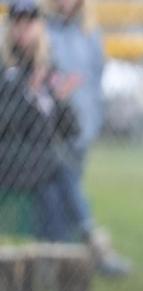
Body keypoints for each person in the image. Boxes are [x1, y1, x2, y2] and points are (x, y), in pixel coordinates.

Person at [0, 0, 78, 236]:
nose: (23, 28)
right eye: (18, 22)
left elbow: (71, 129)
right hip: (10, 156)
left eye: (30, 22)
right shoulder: (5, 69)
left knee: (54, 194)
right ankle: (89, 233)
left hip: (41, 160)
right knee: (59, 167)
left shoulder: (47, 67)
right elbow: (6, 123)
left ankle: (55, 256)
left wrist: (62, 101)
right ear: (10, 27)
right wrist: (31, 96)